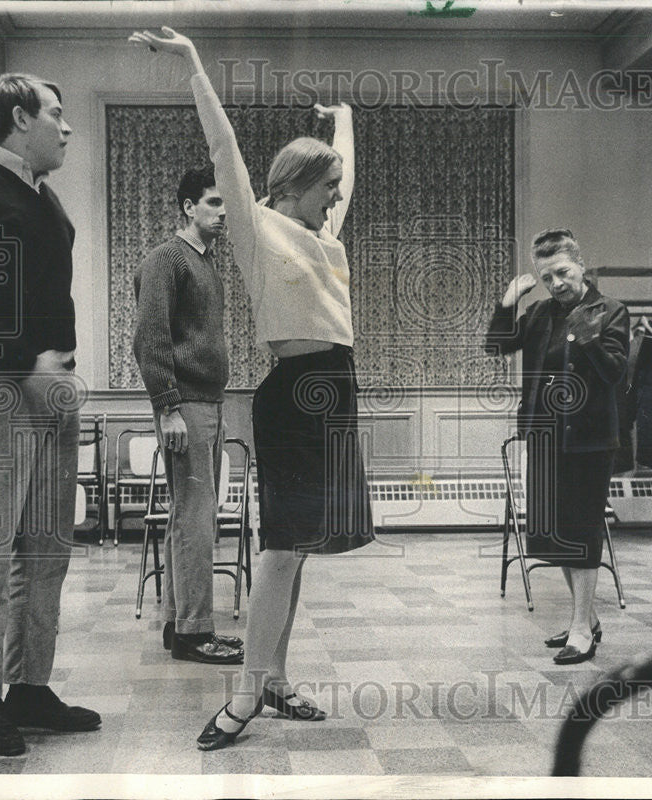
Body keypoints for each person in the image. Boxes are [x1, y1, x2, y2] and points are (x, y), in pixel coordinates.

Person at [129, 27, 375, 750]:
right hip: (297, 392)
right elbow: (224, 147)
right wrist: (193, 63)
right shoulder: (257, 228)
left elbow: (348, 175)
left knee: (298, 551)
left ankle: (274, 679)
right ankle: (242, 696)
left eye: (336, 189)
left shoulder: (326, 235)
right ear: (292, 185)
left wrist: (346, 123)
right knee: (281, 548)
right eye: (325, 186)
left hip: (338, 389)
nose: (336, 196)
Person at [0, 74, 101, 756]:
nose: (67, 128)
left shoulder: (46, 196)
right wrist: (30, 359)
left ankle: (29, 687)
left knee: (46, 549)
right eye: (56, 115)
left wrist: (59, 369)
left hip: (47, 388)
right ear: (16, 116)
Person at [485, 229, 629, 665]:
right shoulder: (541, 314)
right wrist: (508, 302)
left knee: (582, 531)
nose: (557, 283)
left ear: (581, 264)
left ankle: (583, 627)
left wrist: (587, 338)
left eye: (563, 272)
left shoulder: (611, 311)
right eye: (547, 277)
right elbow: (496, 346)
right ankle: (583, 620)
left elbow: (617, 375)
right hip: (544, 436)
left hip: (588, 440)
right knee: (560, 535)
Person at [133, 166, 244, 664]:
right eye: (214, 203)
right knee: (196, 520)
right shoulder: (167, 259)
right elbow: (149, 339)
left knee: (195, 518)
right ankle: (196, 632)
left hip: (209, 406)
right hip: (186, 409)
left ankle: (181, 626)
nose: (223, 213)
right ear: (188, 206)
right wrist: (169, 409)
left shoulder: (205, 263)